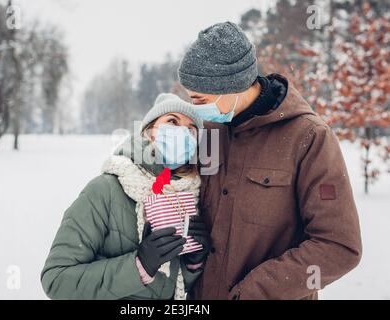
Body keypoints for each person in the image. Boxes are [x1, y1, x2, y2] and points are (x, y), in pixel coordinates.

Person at [177, 21, 362, 300]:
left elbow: (339, 245)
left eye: (200, 99)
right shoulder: (209, 133)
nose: (196, 109)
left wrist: (257, 291)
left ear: (231, 85)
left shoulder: (309, 138)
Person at [41, 93, 211, 300]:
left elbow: (170, 287)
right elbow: (57, 280)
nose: (182, 133)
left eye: (191, 130)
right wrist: (139, 265)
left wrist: (193, 263)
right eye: (172, 122)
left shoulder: (188, 196)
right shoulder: (105, 190)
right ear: (149, 132)